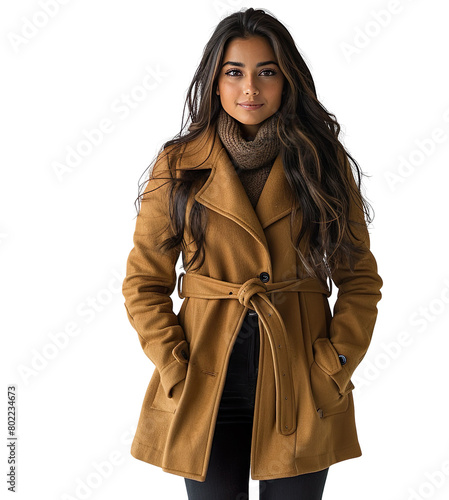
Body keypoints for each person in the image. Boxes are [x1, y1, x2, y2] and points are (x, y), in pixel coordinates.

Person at [122, 7, 383, 500]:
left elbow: (360, 280)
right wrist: (174, 366)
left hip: (299, 380)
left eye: (266, 72)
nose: (250, 88)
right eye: (234, 73)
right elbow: (143, 282)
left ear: (287, 80)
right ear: (214, 83)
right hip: (204, 379)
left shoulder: (321, 162)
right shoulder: (179, 164)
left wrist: (334, 364)